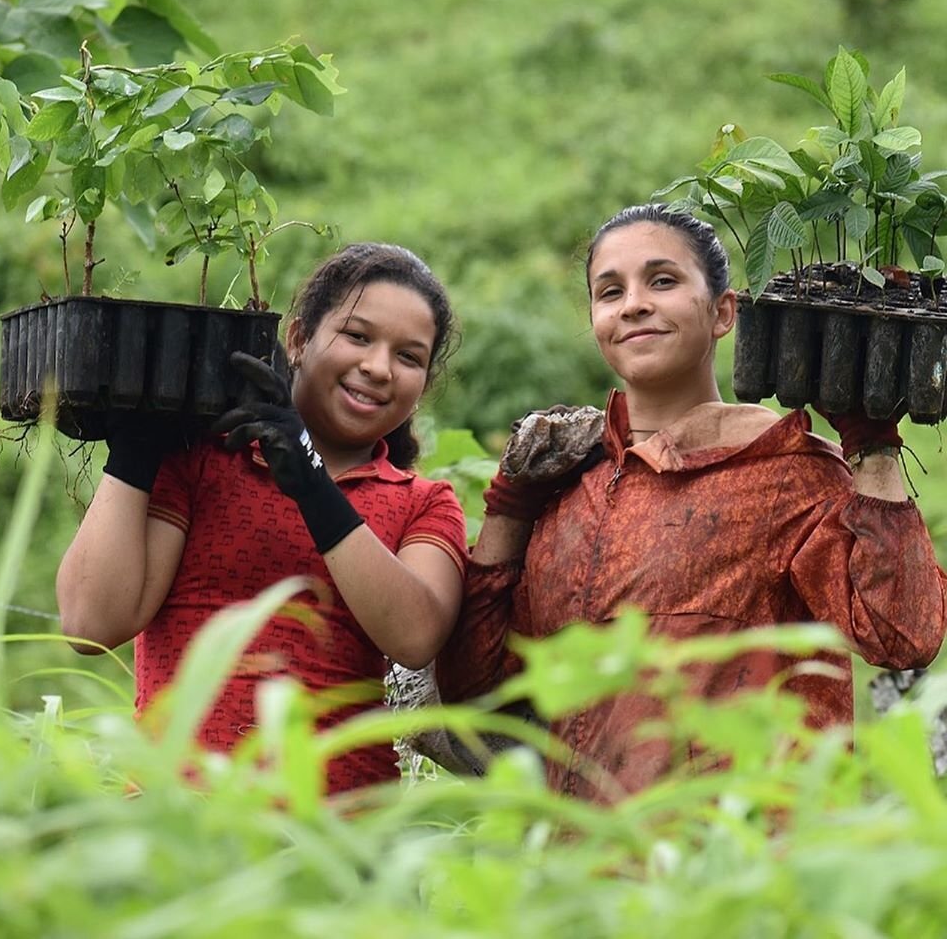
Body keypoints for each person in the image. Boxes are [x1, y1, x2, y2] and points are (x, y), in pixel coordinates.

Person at [436, 203, 947, 802]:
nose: (634, 304)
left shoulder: (785, 472)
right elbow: (477, 692)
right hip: (585, 870)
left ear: (724, 312)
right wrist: (508, 508)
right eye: (609, 291)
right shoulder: (570, 490)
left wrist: (874, 448)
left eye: (662, 280)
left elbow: (904, 635)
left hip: (737, 870)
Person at [57, 243, 468, 794]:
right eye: (358, 336)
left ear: (422, 386)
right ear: (298, 339)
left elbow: (416, 636)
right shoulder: (205, 462)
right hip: (178, 823)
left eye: (409, 357)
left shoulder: (423, 502)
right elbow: (90, 624)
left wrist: (311, 480)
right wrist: (134, 450)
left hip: (340, 838)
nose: (378, 367)